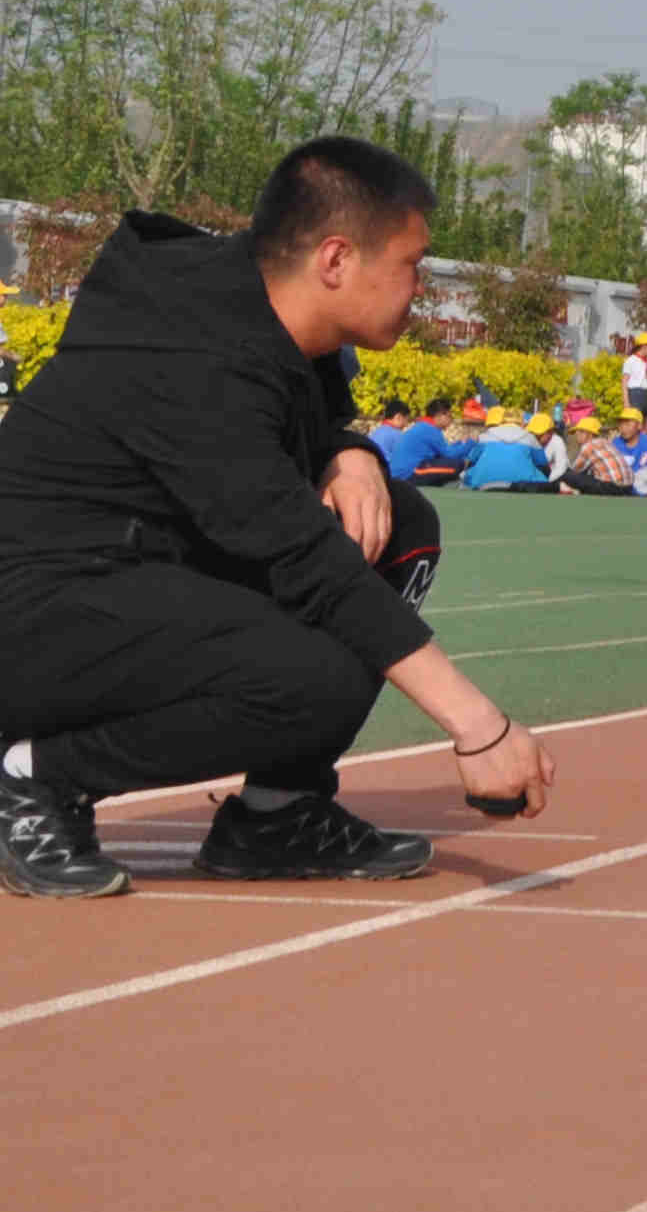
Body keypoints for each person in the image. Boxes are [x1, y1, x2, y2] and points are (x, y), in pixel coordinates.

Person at [0, 138, 554, 898]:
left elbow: (297, 430)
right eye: (411, 264)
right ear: (335, 261)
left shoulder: (266, 306)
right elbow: (305, 562)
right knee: (310, 678)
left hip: (134, 570)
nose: (420, 287)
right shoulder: (189, 349)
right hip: (35, 604)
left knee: (399, 520)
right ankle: (33, 779)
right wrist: (479, 727)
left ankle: (277, 813)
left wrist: (349, 450)